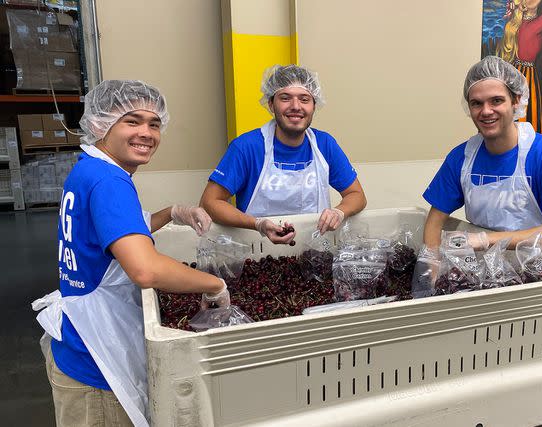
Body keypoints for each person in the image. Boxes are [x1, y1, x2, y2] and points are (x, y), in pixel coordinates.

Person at [31, 80, 230, 427]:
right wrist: (214, 284)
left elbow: (113, 235)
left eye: (154, 123)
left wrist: (171, 213)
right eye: (132, 121)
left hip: (78, 339)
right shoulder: (110, 182)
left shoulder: (92, 169)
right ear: (100, 124)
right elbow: (145, 269)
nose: (147, 133)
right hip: (95, 360)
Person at [421, 56, 542, 255]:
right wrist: (432, 270)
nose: (486, 111)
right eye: (476, 103)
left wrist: (485, 240)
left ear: (516, 100)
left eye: (496, 101)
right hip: (478, 272)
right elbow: (434, 224)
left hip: (532, 272)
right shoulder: (462, 157)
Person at [199, 64, 366, 243]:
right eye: (285, 98)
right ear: (271, 104)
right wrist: (258, 224)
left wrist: (339, 212)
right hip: (259, 251)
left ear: (314, 105)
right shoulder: (247, 147)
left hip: (316, 252)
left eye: (304, 99)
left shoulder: (325, 145)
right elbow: (209, 203)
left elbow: (356, 195)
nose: (296, 106)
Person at [496, 0, 542, 133]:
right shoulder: (533, 26)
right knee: (527, 112)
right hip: (526, 75)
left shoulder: (519, 24)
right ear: (526, 4)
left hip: (518, 71)